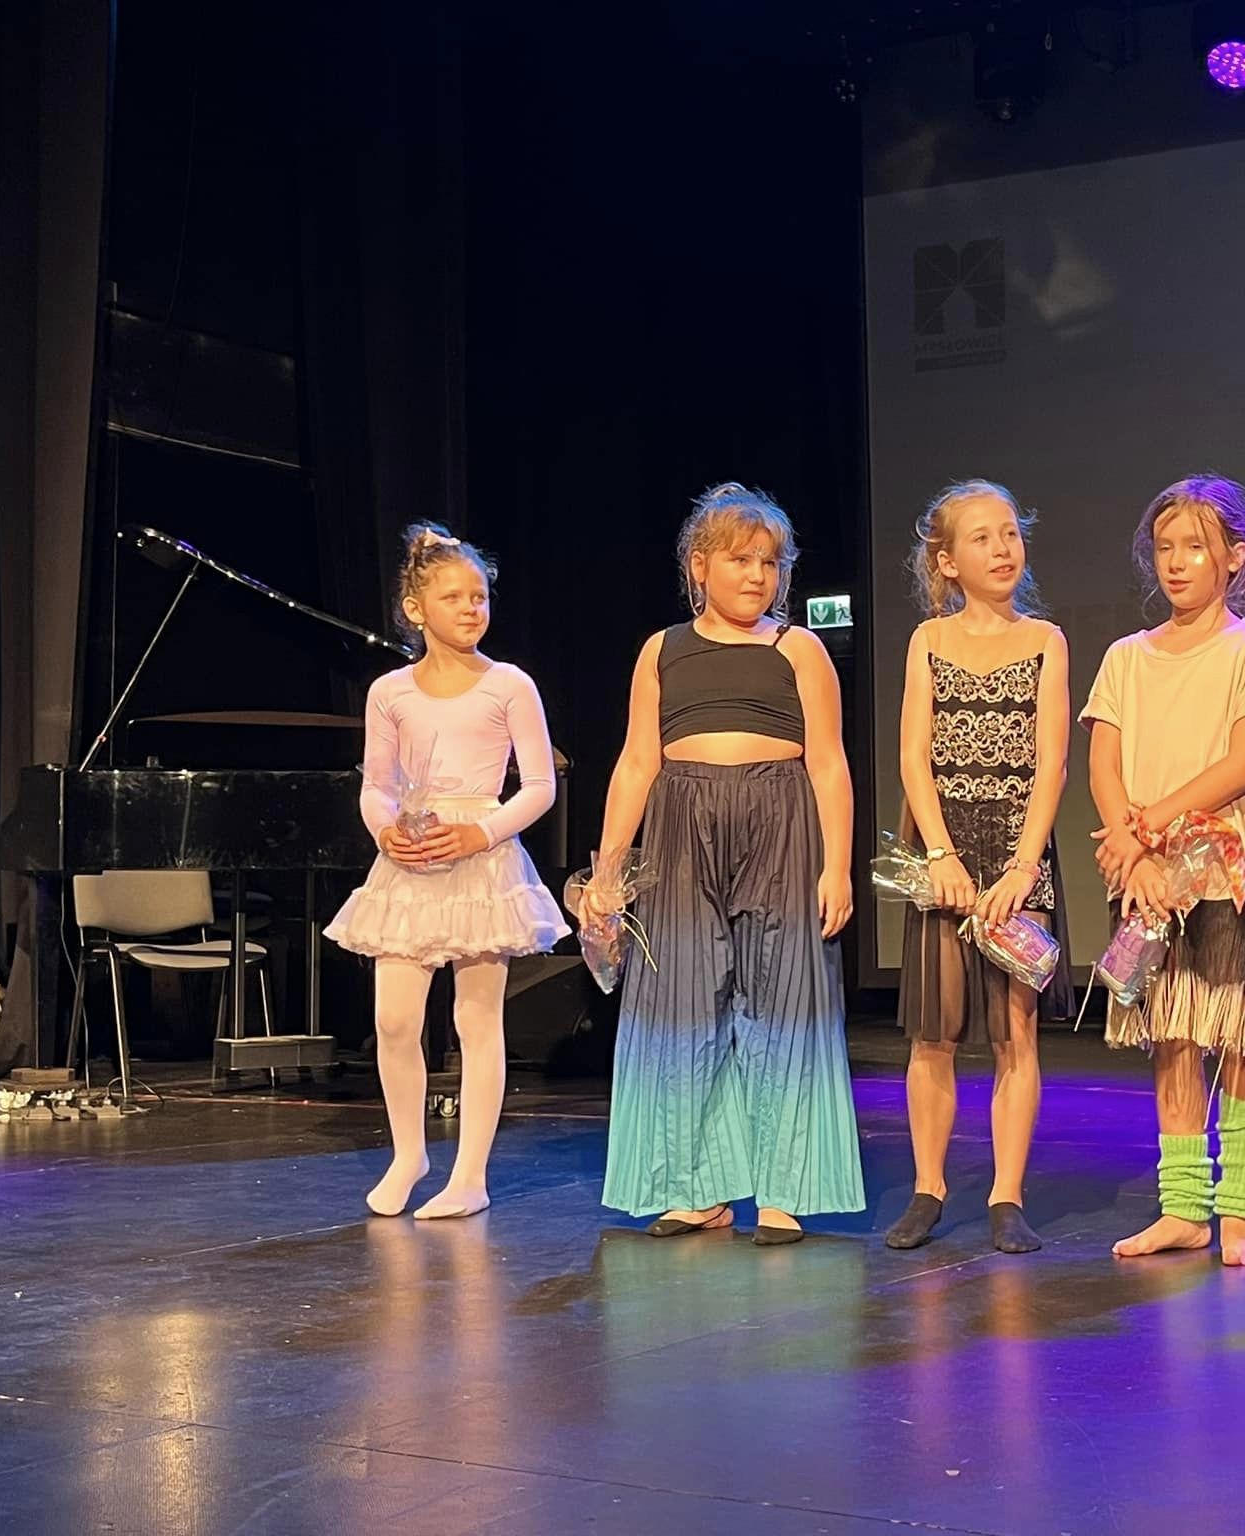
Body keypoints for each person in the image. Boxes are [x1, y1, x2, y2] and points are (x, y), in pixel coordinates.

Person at [589, 483, 865, 1244]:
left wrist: (837, 866)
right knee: (683, 997)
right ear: (699, 566)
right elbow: (637, 761)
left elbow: (829, 762)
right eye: (741, 560)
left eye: (770, 563)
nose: (756, 575)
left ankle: (784, 1188)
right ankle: (694, 1186)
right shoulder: (662, 650)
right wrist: (610, 869)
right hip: (682, 823)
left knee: (783, 995)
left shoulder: (798, 649)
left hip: (781, 820)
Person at [1081, 476, 1245, 1266]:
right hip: (1145, 877)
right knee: (1171, 1035)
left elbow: (1239, 765)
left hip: (1222, 873)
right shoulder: (1125, 658)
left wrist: (1149, 824)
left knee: (1237, 1039)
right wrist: (1133, 847)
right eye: (1164, 548)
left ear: (1234, 558)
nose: (1176, 563)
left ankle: (1237, 1213)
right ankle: (1182, 1208)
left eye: (1195, 548)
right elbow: (1103, 764)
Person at [327, 523, 570, 1219]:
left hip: (480, 857)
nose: (471, 608)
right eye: (454, 597)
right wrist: (385, 830)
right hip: (412, 855)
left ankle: (469, 1176)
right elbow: (376, 785)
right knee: (394, 1019)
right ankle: (409, 1154)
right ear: (416, 608)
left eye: (480, 596)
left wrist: (479, 832)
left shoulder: (508, 684)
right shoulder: (390, 691)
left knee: (476, 1017)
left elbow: (540, 786)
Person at [884, 480, 1073, 1255]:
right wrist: (940, 855)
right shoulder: (928, 640)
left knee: (1014, 1031)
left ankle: (1006, 1196)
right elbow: (913, 758)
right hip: (947, 853)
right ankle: (928, 1188)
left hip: (1017, 855)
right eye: (982, 538)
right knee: (934, 1032)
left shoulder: (1046, 640)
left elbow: (1052, 762)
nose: (1002, 549)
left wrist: (1024, 868)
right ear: (947, 560)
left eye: (1010, 534)